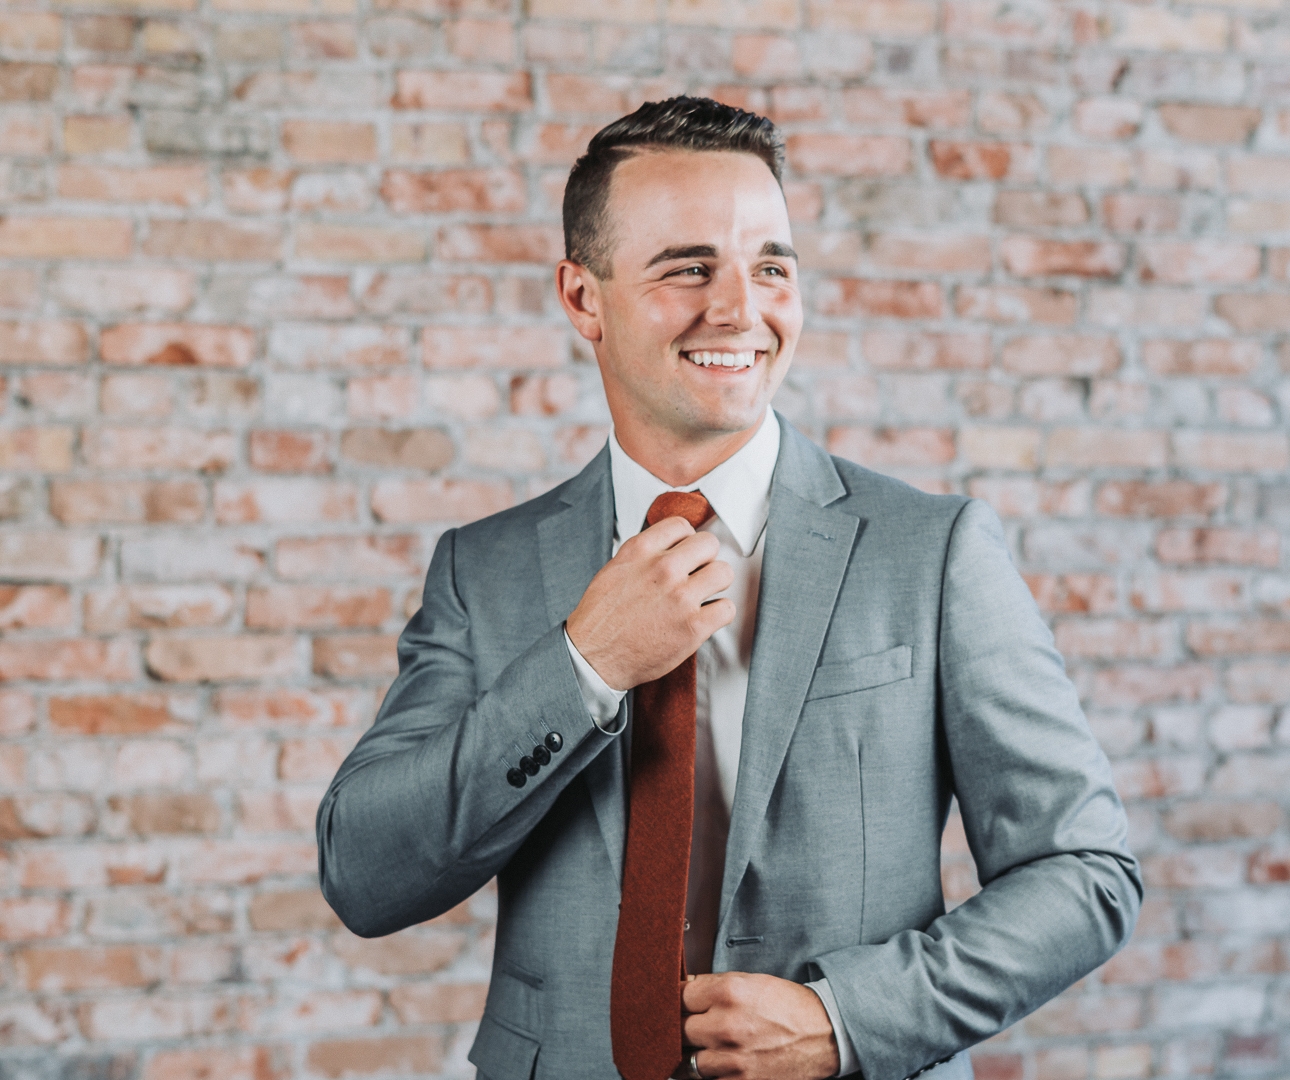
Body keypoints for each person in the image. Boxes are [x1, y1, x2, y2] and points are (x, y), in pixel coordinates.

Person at [316, 96, 1141, 1080]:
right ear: (584, 298)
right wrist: (584, 666)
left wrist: (846, 1022)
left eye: (771, 267)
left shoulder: (933, 552)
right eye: (687, 267)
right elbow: (365, 875)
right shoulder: (483, 569)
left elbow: (1085, 874)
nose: (740, 310)